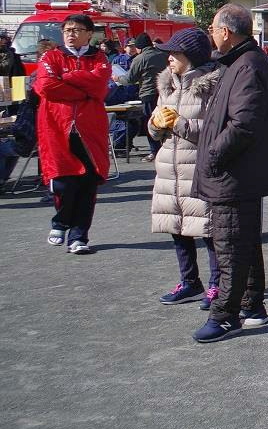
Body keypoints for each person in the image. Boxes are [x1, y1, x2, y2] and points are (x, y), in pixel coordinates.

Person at [191, 4, 268, 343]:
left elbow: (243, 125)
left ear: (226, 32)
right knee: (243, 242)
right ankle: (251, 304)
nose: (211, 35)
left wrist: (213, 156)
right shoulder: (240, 62)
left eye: (213, 29)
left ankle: (225, 315)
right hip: (236, 172)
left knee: (229, 247)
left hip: (235, 173)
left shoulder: (247, 65)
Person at [147, 28, 222, 307]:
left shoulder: (211, 86)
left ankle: (217, 284)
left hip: (198, 168)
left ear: (191, 56)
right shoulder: (167, 85)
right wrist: (155, 125)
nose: (169, 59)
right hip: (170, 168)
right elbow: (155, 126)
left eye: (175, 53)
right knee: (176, 227)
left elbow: (215, 130)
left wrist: (180, 124)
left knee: (207, 229)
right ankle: (189, 281)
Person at [37, 13, 112, 255]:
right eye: (67, 30)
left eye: (77, 30)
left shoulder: (99, 58)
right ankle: (60, 223)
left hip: (90, 129)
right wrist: (83, 92)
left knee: (88, 183)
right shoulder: (51, 56)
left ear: (89, 33)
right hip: (57, 127)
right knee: (63, 181)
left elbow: (99, 85)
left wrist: (68, 77)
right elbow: (46, 86)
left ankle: (79, 237)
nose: (71, 34)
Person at [127, 32, 169, 160]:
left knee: (151, 123)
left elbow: (130, 79)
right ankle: (165, 149)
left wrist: (118, 78)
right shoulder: (164, 55)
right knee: (166, 121)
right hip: (165, 93)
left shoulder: (140, 58)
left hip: (148, 94)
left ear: (139, 47)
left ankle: (154, 151)